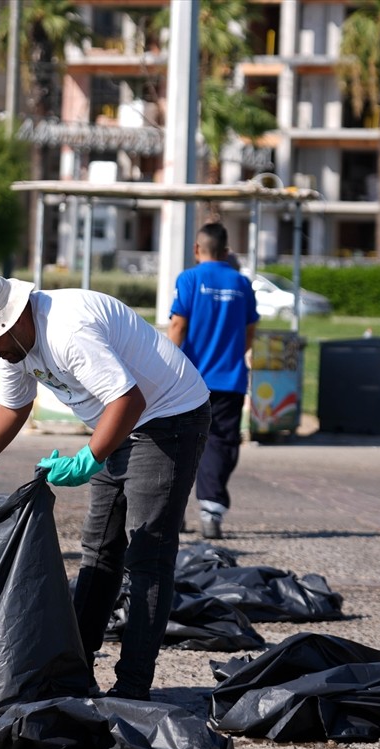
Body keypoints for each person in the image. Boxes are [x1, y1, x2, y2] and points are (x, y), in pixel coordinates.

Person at [0, 266, 210, 701]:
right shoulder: (13, 346)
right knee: (100, 549)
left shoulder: (67, 330)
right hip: (119, 422)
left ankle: (133, 688)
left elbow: (128, 400)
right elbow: (13, 406)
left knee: (148, 553)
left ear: (12, 317)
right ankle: (75, 670)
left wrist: (90, 457)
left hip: (168, 418)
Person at [169, 222, 260, 540]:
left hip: (189, 380)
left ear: (197, 249)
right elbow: (250, 331)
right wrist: (234, 353)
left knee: (178, 442)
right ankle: (212, 512)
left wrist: (168, 363)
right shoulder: (242, 283)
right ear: (226, 251)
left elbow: (178, 325)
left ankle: (172, 512)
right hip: (230, 380)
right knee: (221, 444)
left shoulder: (189, 278)